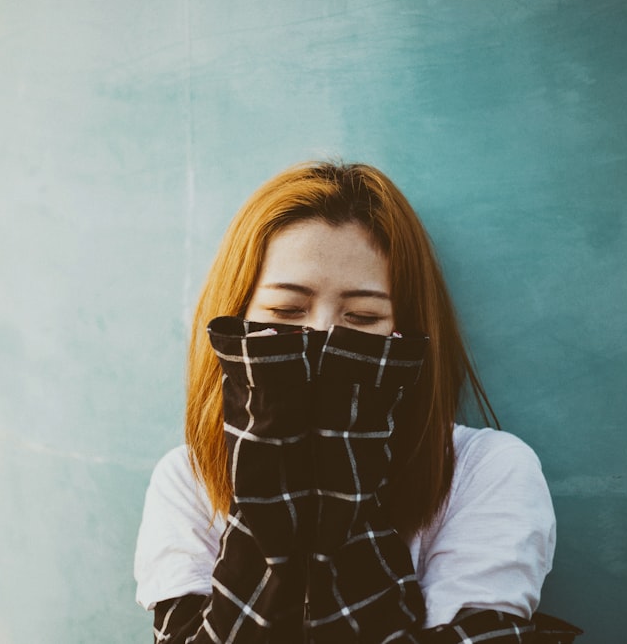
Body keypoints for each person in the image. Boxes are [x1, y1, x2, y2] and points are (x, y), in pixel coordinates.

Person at [135, 162, 576, 642]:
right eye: (286, 310)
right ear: (238, 311)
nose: (322, 337)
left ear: (406, 332)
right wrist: (271, 465)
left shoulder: (488, 469)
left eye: (363, 317)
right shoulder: (188, 481)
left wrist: (343, 461)